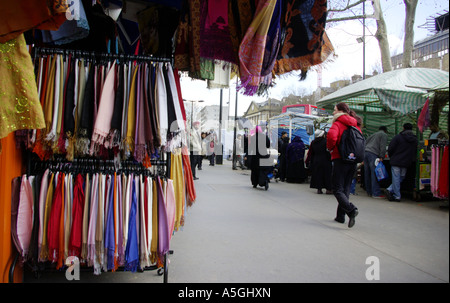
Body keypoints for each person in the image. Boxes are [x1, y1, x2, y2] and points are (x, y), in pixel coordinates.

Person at [326, 102, 362, 228]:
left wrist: (331, 149)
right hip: (352, 161)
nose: (333, 112)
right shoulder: (355, 124)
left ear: (341, 111)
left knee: (337, 188)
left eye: (335, 110)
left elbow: (331, 136)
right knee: (345, 188)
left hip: (340, 158)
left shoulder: (338, 123)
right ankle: (340, 216)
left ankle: (351, 210)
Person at [385, 123, 418, 202]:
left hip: (396, 161)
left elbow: (391, 148)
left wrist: (391, 156)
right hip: (406, 162)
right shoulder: (414, 139)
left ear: (403, 128)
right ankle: (392, 191)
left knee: (396, 178)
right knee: (401, 177)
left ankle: (396, 195)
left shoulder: (398, 137)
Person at [364, 126, 388, 198]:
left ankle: (369, 191)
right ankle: (376, 193)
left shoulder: (373, 134)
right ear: (385, 131)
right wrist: (381, 156)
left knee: (367, 172)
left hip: (366, 153)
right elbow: (383, 146)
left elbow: (365, 142)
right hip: (373, 154)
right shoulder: (383, 135)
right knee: (375, 173)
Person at [307, 129, 332, 194]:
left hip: (316, 160)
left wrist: (311, 161)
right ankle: (328, 189)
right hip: (326, 160)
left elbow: (311, 153)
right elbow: (328, 151)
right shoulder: (326, 142)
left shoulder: (313, 142)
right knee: (327, 175)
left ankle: (319, 189)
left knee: (318, 175)